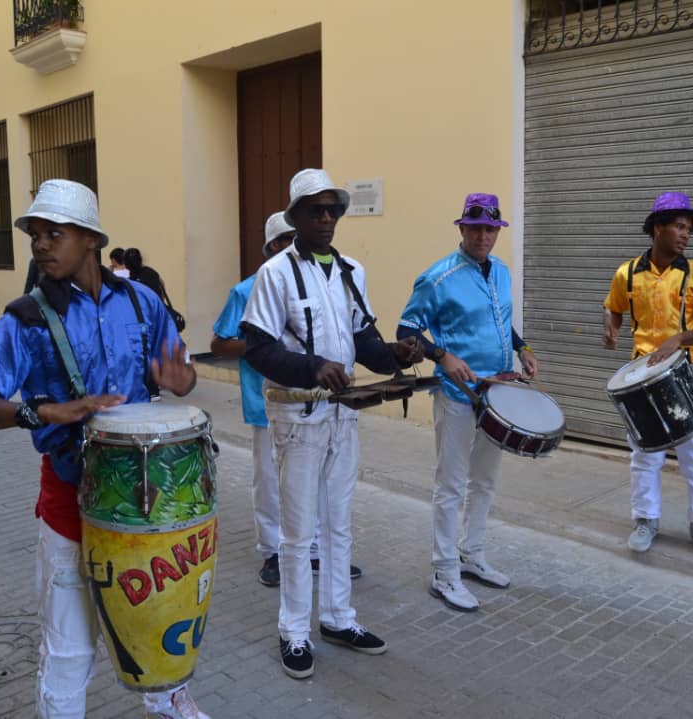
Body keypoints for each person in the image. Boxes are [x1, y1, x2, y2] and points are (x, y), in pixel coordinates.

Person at [0, 179, 210, 719]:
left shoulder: (142, 302)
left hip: (154, 499)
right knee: (69, 653)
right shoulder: (26, 319)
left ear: (90, 239)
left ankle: (171, 704)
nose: (40, 244)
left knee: (160, 623)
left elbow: (177, 363)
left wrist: (181, 379)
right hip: (70, 500)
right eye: (35, 234)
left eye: (54, 232)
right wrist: (38, 411)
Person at [240, 168, 422, 680]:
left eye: (333, 210)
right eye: (315, 210)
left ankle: (339, 618)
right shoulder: (274, 273)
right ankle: (294, 631)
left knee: (338, 524)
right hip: (297, 413)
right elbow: (258, 348)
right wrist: (311, 367)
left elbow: (362, 338)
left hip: (343, 413)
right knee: (298, 532)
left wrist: (393, 356)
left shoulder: (350, 271)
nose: (326, 218)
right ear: (294, 216)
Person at [397, 193, 539, 613]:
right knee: (451, 484)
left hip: (497, 392)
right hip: (457, 395)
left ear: (498, 231)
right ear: (461, 228)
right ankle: (443, 572)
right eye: (475, 227)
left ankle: (471, 554)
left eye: (490, 229)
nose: (482, 236)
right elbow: (407, 330)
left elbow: (500, 320)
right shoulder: (437, 278)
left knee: (485, 481)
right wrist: (442, 355)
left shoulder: (500, 273)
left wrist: (523, 347)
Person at [211, 211, 362, 587]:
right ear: (274, 247)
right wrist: (268, 345)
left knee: (311, 484)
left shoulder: (326, 281)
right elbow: (218, 342)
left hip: (315, 402)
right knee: (269, 480)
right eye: (284, 240)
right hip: (268, 400)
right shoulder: (249, 288)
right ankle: (272, 553)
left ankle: (313, 551)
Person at [603, 191, 693, 560]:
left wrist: (681, 338)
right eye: (678, 226)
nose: (685, 234)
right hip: (643, 380)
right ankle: (645, 521)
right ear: (657, 228)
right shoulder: (626, 273)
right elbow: (613, 309)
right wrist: (610, 328)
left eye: (688, 228)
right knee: (646, 456)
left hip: (692, 377)